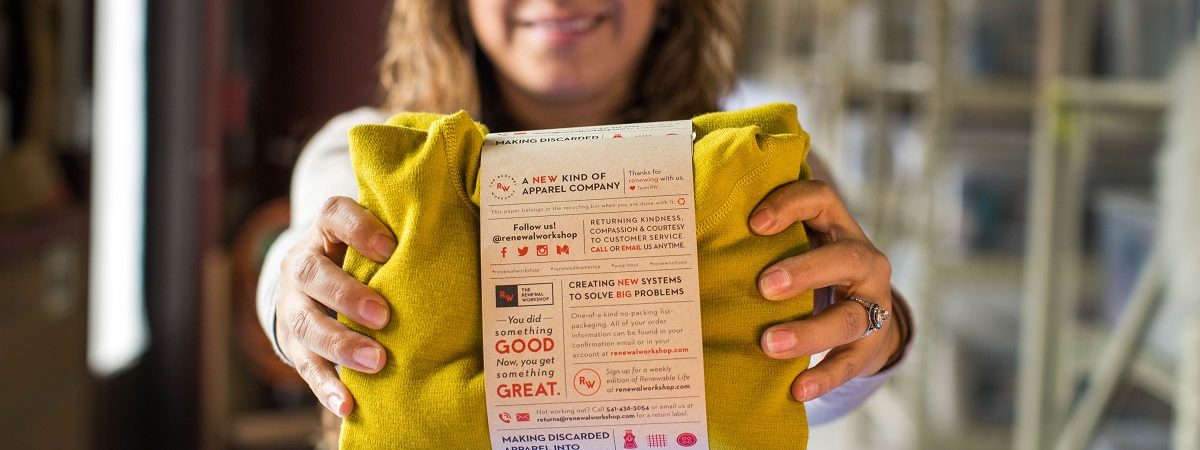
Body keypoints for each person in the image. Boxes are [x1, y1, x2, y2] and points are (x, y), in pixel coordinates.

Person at [257, 0, 913, 427]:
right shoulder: (368, 151)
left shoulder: (753, 165)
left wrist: (882, 330)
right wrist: (291, 303)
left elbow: (812, 382)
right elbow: (310, 241)